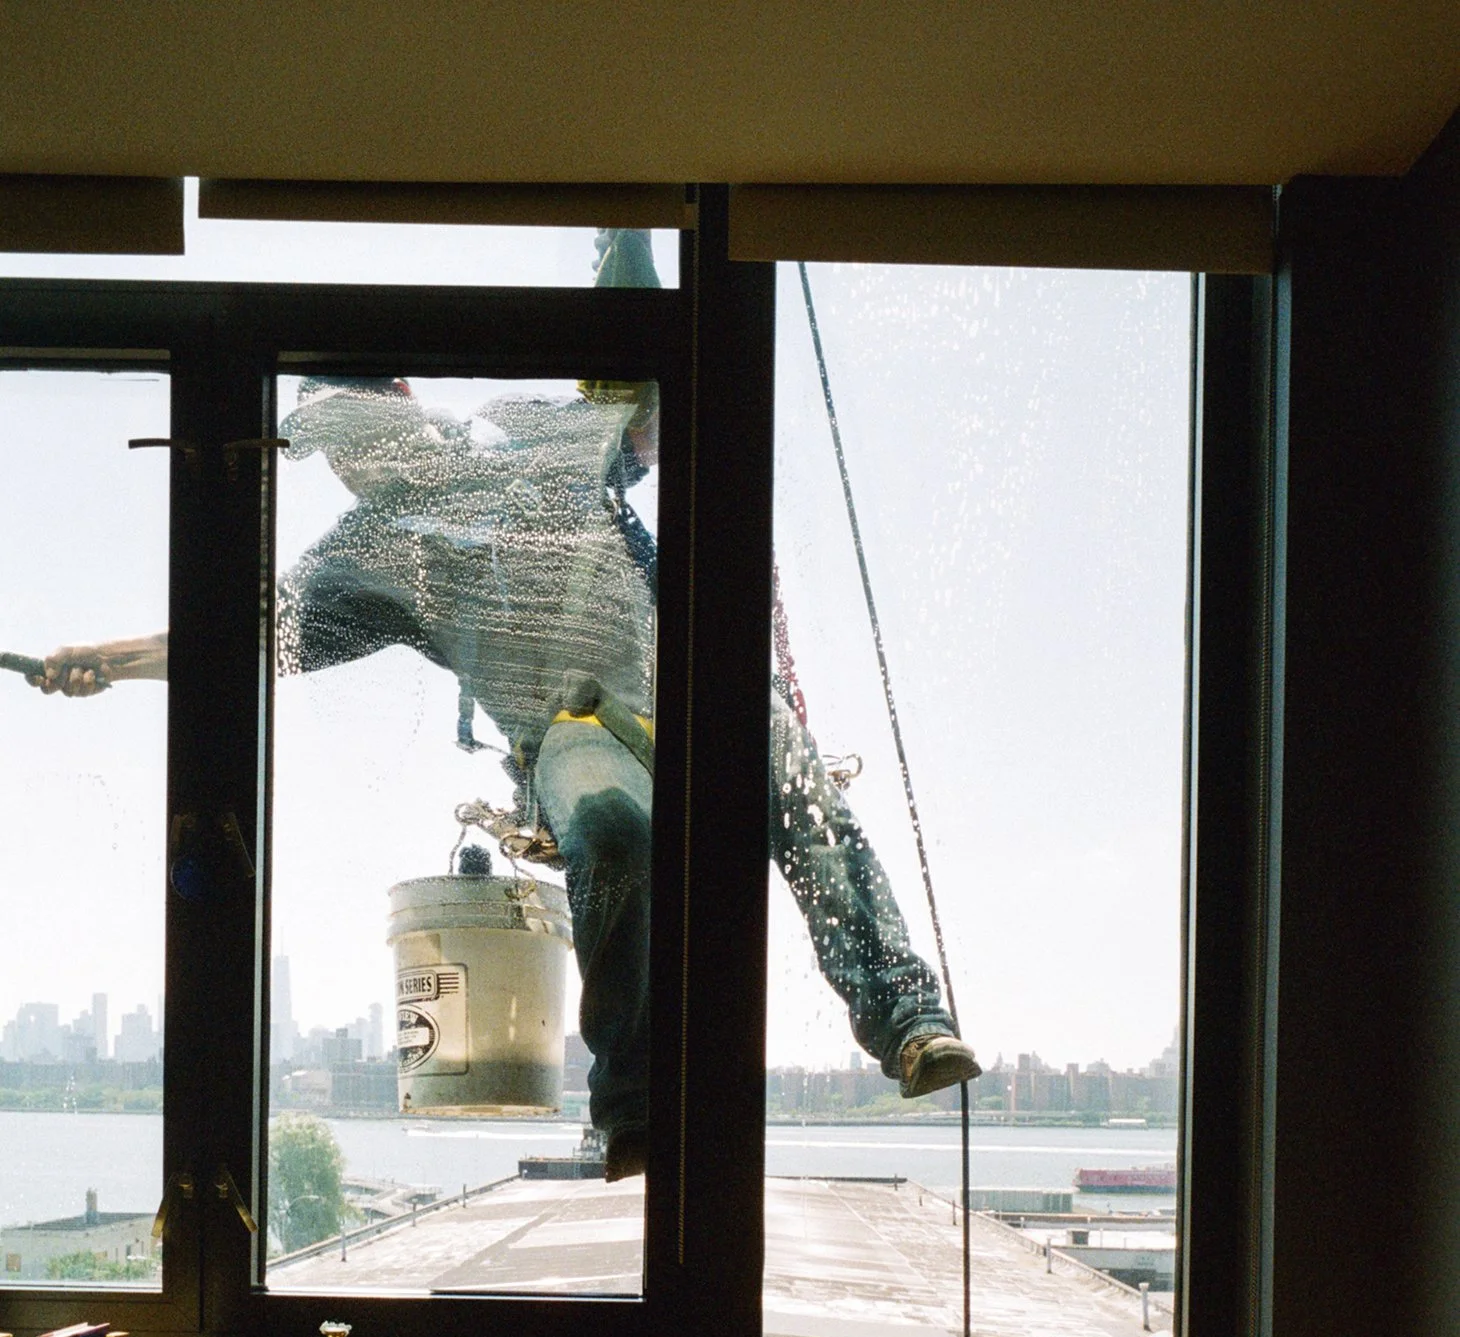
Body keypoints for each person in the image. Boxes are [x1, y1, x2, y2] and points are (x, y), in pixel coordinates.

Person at [28, 241, 977, 1178]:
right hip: (575, 726)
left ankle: (908, 1021)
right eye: (335, 453)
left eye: (350, 438)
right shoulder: (375, 557)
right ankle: (635, 1104)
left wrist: (630, 231)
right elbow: (244, 635)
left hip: (695, 680)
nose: (348, 466)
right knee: (609, 833)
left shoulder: (531, 447)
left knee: (798, 789)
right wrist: (106, 662)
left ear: (401, 402)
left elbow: (640, 381)